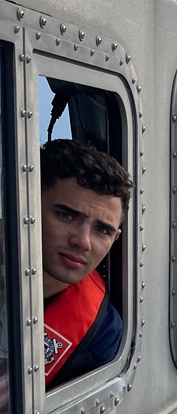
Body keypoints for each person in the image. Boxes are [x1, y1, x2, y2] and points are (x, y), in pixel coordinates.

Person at [41, 139, 131, 388]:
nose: (82, 241)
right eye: (66, 215)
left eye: (102, 230)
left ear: (115, 239)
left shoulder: (103, 334)